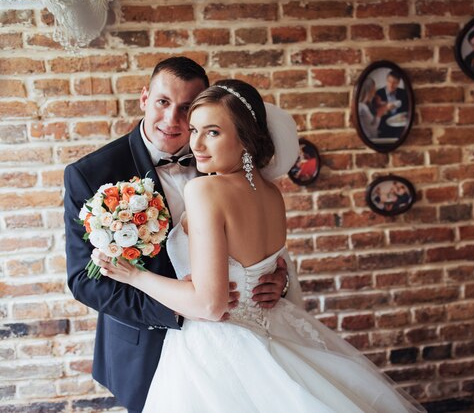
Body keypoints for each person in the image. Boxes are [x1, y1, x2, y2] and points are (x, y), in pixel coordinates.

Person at [92, 80, 425, 412]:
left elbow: (210, 305)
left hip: (218, 348)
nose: (197, 143)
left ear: (246, 138)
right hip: (274, 327)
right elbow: (265, 266)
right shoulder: (272, 194)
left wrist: (134, 276)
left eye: (213, 132)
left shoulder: (204, 191)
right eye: (195, 130)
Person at [63, 57, 301, 413]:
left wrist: (273, 280)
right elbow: (84, 279)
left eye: (186, 108)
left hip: (237, 345)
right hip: (144, 344)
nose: (173, 120)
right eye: (162, 102)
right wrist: (180, 309)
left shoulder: (217, 156)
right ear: (145, 98)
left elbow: (254, 246)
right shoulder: (92, 173)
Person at [373, 70, 409, 138]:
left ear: (398, 83)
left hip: (400, 127)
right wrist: (386, 108)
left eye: (394, 83)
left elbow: (406, 110)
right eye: (389, 82)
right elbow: (374, 112)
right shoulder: (378, 93)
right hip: (384, 127)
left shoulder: (403, 93)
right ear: (386, 81)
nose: (391, 85)